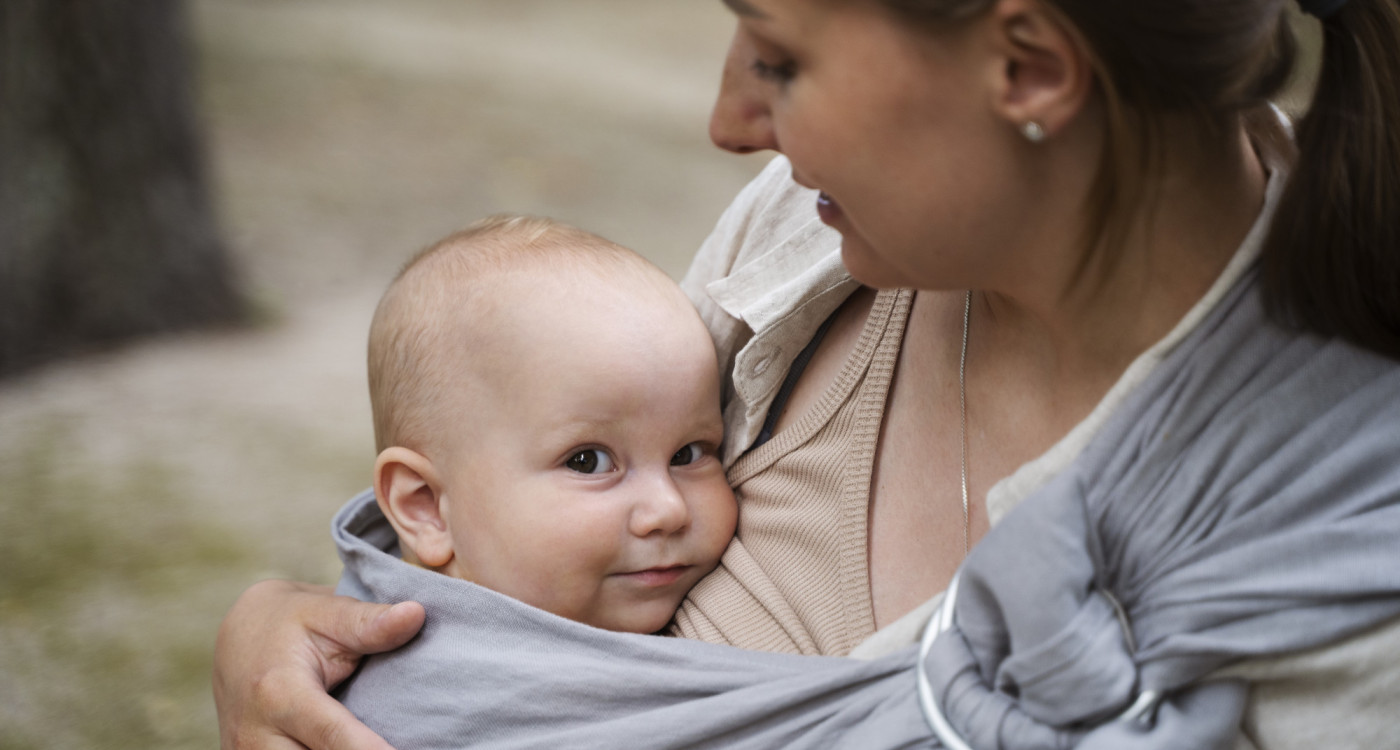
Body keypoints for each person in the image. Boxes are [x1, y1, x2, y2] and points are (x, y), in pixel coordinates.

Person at [214, 0, 1400, 748]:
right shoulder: (801, 245)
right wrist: (284, 637)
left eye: (777, 56)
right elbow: (502, 539)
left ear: (1029, 65)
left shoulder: (1340, 534)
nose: (729, 118)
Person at [342, 215, 736, 636]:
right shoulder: (469, 690)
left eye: (687, 454)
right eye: (588, 462)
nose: (669, 510)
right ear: (425, 507)